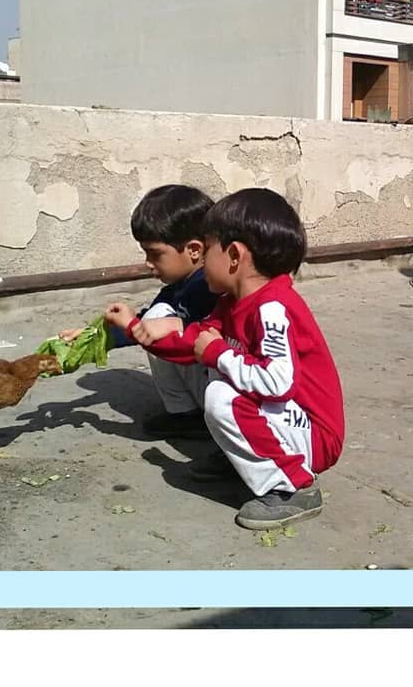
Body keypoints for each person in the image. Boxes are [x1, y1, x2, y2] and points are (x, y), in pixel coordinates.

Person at [105, 187, 344, 530]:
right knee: (220, 377)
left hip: (315, 436)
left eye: (207, 248)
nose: (202, 260)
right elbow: (193, 343)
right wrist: (134, 329)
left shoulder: (272, 308)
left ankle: (294, 488)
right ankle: (245, 461)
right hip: (287, 422)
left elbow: (279, 381)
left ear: (233, 255)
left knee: (222, 394)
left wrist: (218, 353)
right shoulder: (231, 302)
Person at [61, 184, 219, 438]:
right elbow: (142, 325)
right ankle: (187, 415)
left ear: (194, 250)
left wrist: (151, 325)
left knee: (158, 320)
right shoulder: (177, 287)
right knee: (156, 317)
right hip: (209, 385)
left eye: (155, 254)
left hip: (227, 393)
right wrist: (94, 336)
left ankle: (203, 418)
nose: (148, 263)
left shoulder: (212, 287)